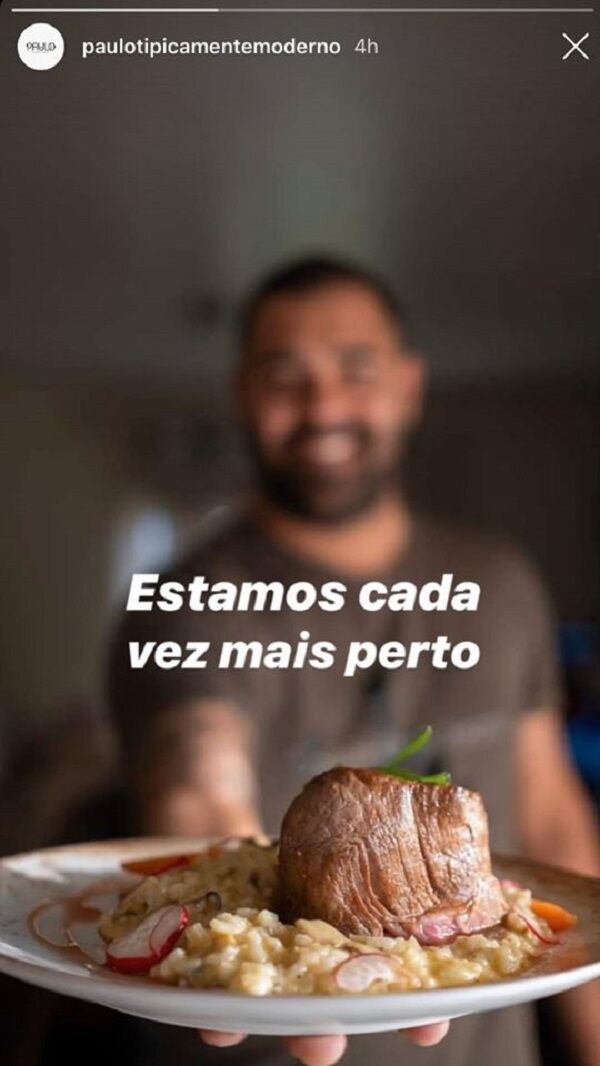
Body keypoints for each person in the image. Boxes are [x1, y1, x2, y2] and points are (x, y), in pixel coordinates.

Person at [110, 256, 599, 1066]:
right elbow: (197, 776)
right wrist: (246, 931)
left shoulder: (500, 582)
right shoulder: (185, 599)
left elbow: (553, 821)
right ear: (242, 393)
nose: (324, 405)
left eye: (355, 369)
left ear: (408, 386)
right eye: (285, 374)